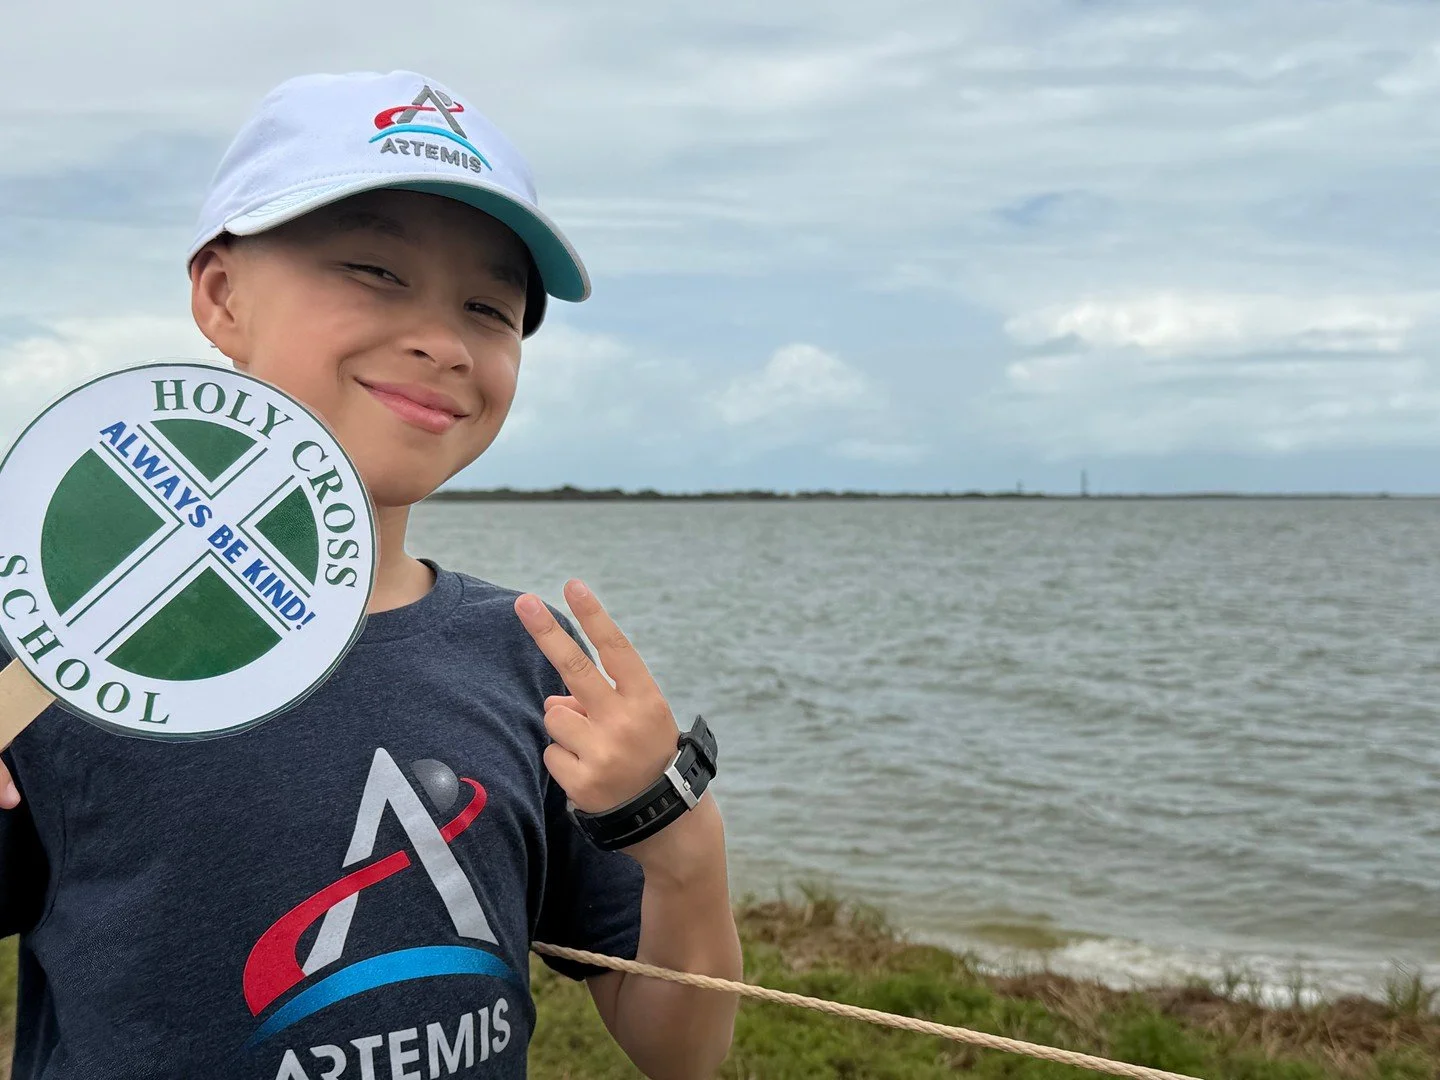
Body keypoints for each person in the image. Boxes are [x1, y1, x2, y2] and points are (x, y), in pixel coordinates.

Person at [0, 70, 742, 1079]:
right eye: (375, 272)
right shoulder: (54, 649)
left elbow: (680, 1050)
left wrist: (679, 847)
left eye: (490, 307)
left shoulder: (526, 664)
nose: (443, 340)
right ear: (222, 296)